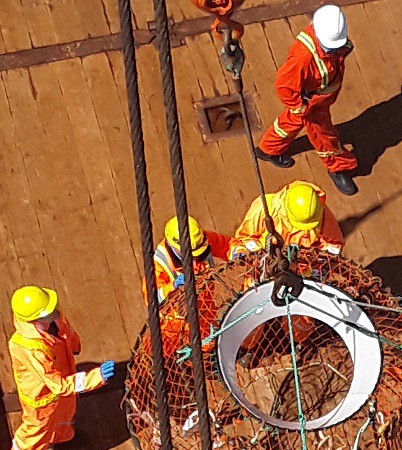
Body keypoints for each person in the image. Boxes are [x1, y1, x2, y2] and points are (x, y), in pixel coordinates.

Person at [7, 286, 115, 450]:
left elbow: (68, 337)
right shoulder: (31, 348)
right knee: (35, 436)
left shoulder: (53, 320)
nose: (55, 311)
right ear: (35, 319)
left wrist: (74, 345)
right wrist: (96, 377)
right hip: (42, 401)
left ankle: (62, 438)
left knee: (65, 417)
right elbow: (57, 385)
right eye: (49, 311)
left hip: (64, 389)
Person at [256, 5, 358, 196]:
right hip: (313, 103)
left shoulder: (330, 41)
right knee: (324, 135)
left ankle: (269, 148)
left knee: (293, 120)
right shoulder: (303, 57)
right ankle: (337, 166)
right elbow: (284, 85)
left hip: (320, 98)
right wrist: (299, 106)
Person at [230, 181, 344, 259]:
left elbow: (333, 245)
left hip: (302, 268)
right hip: (264, 263)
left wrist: (321, 262)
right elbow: (244, 238)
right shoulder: (265, 208)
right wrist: (252, 254)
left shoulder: (319, 212)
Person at [144, 215, 231, 305]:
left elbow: (228, 245)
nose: (195, 262)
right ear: (174, 246)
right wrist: (173, 286)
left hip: (208, 308)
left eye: (199, 254)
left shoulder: (201, 240)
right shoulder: (158, 264)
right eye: (192, 256)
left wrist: (237, 253)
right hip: (179, 313)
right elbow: (151, 300)